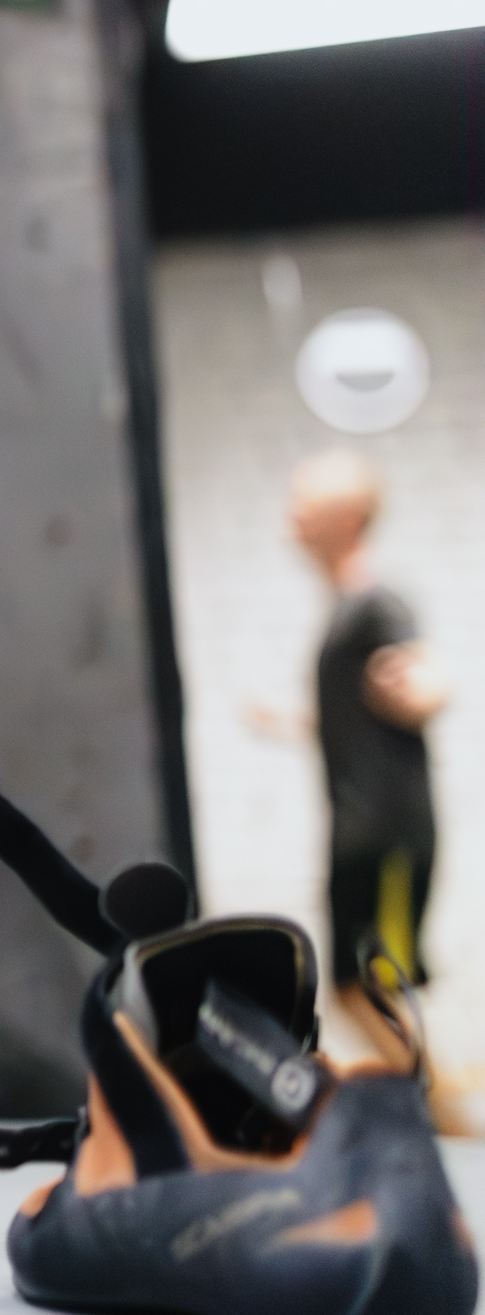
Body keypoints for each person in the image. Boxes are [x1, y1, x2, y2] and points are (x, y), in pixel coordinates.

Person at [286, 450, 452, 1106]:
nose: (292, 516)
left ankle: (441, 1112)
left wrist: (429, 690)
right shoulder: (345, 611)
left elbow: (426, 674)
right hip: (359, 831)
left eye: (306, 503)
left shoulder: (378, 604)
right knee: (356, 985)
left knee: (374, 983)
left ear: (350, 518)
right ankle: (435, 1106)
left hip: (387, 834)